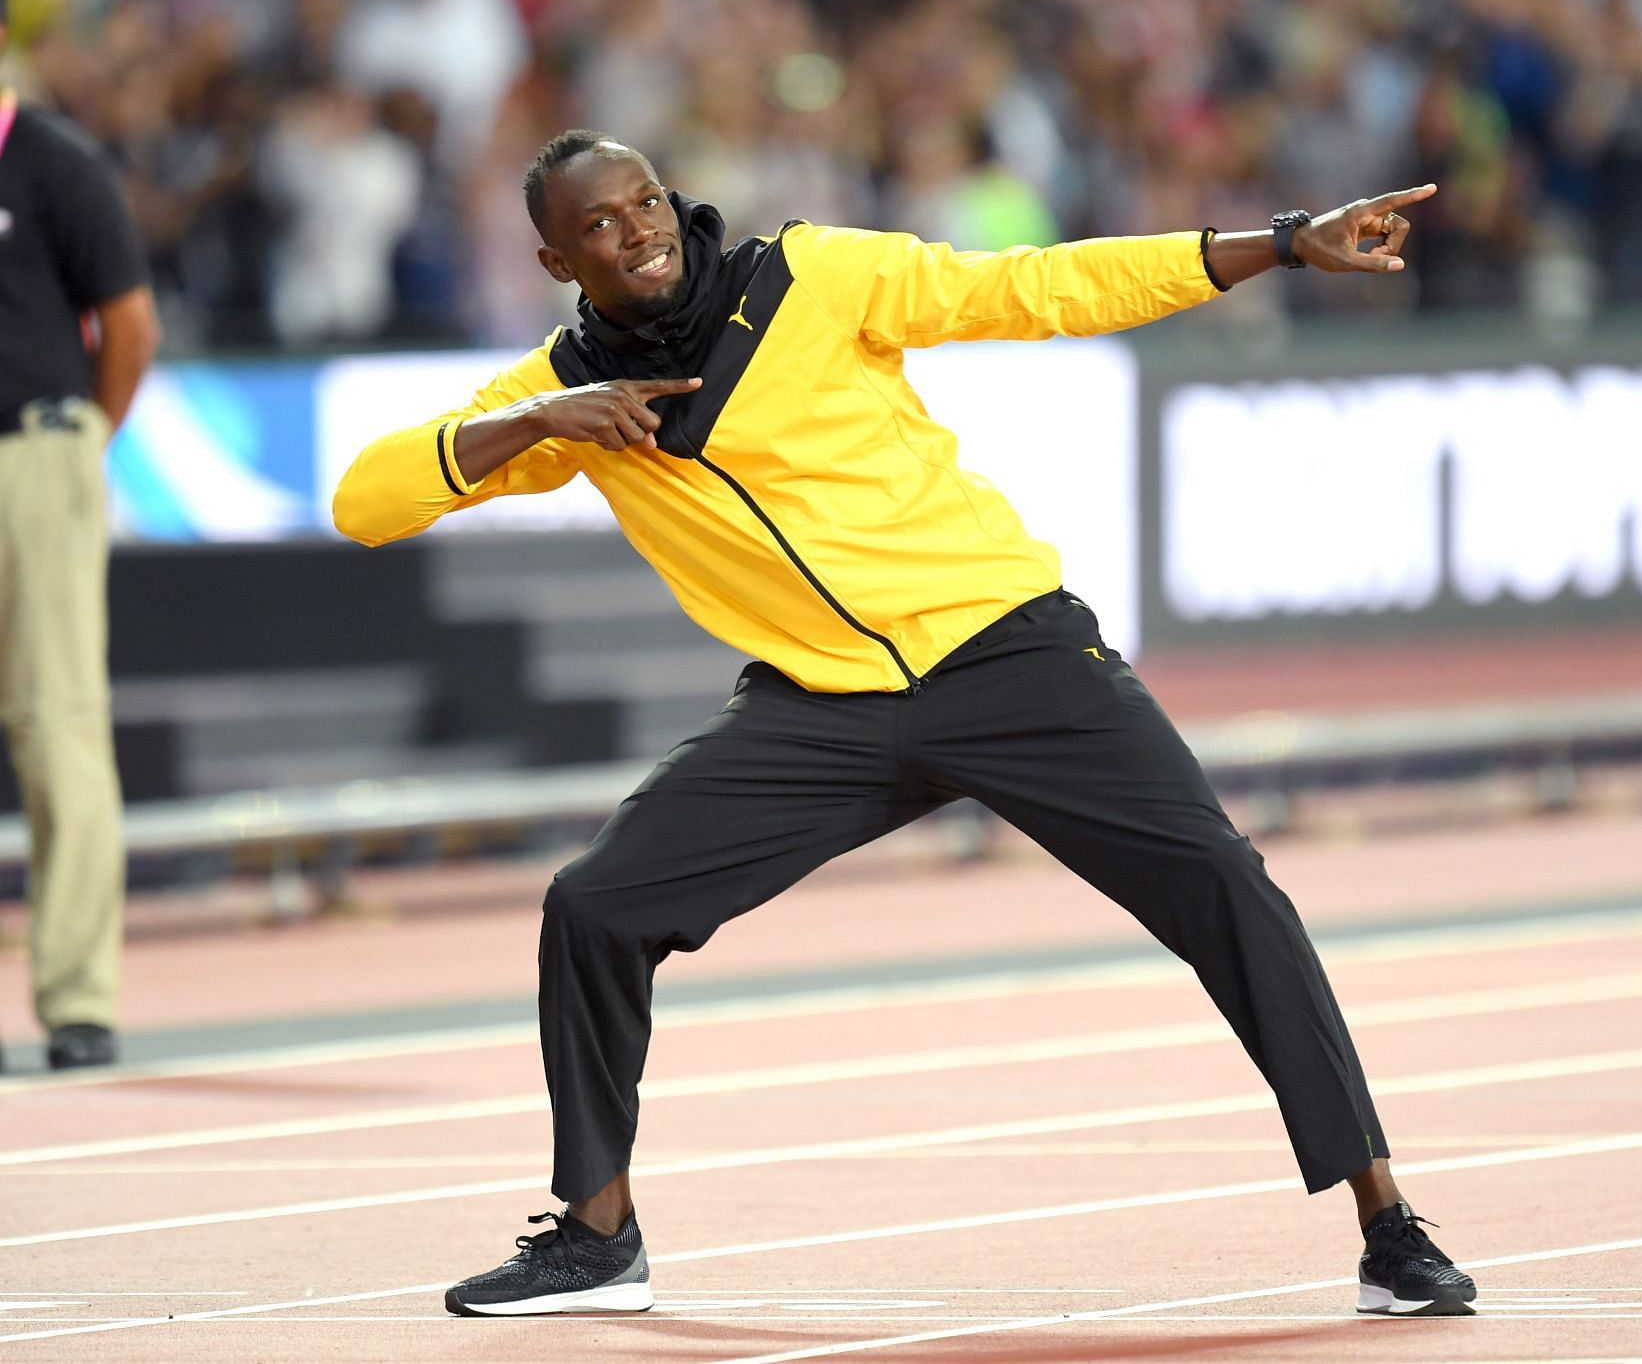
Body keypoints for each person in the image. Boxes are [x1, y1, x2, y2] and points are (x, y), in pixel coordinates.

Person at [333, 129, 1476, 1320]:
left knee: (1229, 889)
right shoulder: (569, 393)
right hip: (821, 706)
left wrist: (1283, 243)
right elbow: (364, 501)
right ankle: (596, 1235)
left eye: (647, 201)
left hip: (1006, 652)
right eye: (603, 225)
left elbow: (1035, 288)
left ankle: (1387, 1222)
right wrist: (543, 418)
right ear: (555, 259)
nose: (640, 229)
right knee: (594, 905)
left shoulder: (810, 277)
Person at [0, 0, 160, 1074]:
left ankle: (78, 1001)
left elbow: (132, 324)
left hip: (29, 452)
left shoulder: (52, 160)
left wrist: (79, 441)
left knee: (56, 717)